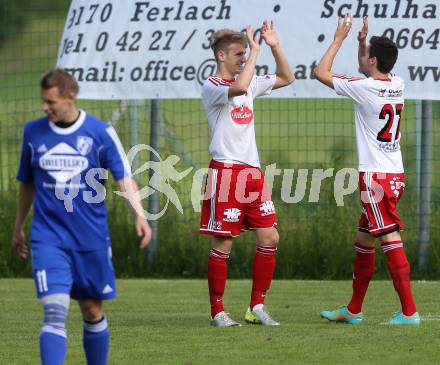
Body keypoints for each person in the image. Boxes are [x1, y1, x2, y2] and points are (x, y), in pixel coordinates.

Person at [11, 68, 152, 365]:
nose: (44, 107)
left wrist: (139, 214)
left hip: (91, 239)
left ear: (70, 96)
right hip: (48, 238)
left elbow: (123, 176)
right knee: (54, 311)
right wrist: (19, 227)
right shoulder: (33, 133)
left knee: (92, 311)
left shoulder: (100, 133)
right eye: (43, 101)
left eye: (51, 102)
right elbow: (27, 183)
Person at [314, 15, 420, 325]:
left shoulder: (365, 88)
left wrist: (339, 39)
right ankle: (354, 310)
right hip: (393, 174)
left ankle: (410, 313)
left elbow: (320, 72)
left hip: (375, 177)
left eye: (367, 53)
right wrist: (363, 42)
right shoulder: (395, 83)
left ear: (374, 60)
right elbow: (367, 65)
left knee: (389, 238)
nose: (364, 57)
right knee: (364, 239)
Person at [200, 21, 295, 327]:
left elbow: (287, 77)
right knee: (224, 243)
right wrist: (256, 51)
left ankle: (256, 307)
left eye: (245, 53)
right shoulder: (213, 85)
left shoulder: (250, 81)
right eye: (238, 53)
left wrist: (274, 44)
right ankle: (217, 312)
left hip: (252, 173)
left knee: (270, 235)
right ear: (221, 56)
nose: (242, 58)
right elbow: (239, 87)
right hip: (226, 171)